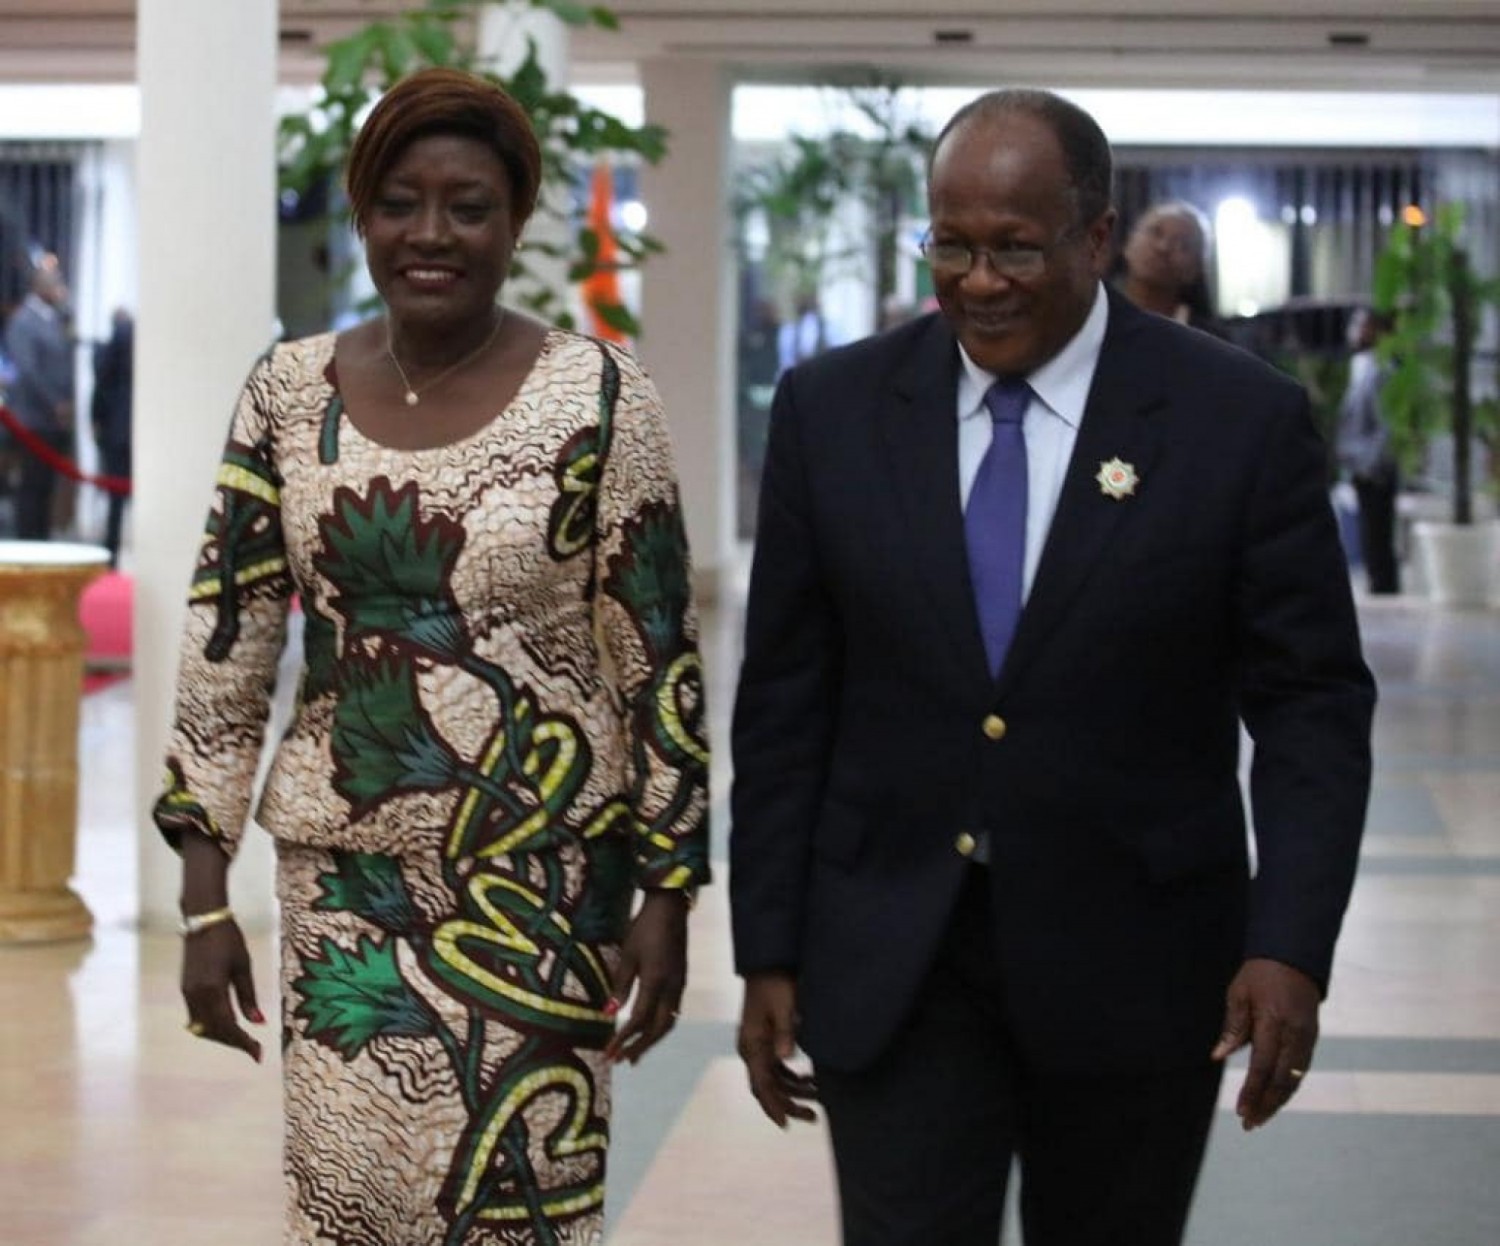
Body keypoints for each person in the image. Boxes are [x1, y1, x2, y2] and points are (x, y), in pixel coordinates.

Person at [730, 88, 1373, 1246]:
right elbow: (785, 701)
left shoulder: (1236, 420)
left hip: (1138, 962)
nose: (980, 281)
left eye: (1016, 248)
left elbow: (1311, 705)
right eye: (952, 246)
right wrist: (767, 947)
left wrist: (1289, 943)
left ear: (1095, 236)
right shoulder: (833, 411)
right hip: (895, 954)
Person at [154, 67, 709, 1245]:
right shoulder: (287, 393)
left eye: (469, 207)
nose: (432, 234)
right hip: (345, 889)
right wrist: (204, 901)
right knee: (351, 1204)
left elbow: (658, 657)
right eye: (401, 204)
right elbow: (227, 645)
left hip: (541, 886)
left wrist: (669, 888)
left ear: (516, 222)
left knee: (519, 1207)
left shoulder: (602, 397)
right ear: (362, 215)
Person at [4, 260, 75, 539]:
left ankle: (43, 538)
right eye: (56, 284)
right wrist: (54, 402)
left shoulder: (53, 318)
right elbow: (29, 369)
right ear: (42, 287)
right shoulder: (24, 321)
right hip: (32, 418)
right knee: (31, 487)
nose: (61, 289)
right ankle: (29, 541)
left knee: (45, 486)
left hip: (51, 421)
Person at [1336, 307, 1400, 594]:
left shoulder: (1381, 369)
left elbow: (1386, 425)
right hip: (1362, 466)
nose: (1355, 331)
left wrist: (1371, 464)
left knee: (1378, 536)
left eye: (1362, 325)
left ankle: (1384, 589)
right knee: (1371, 536)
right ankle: (1379, 586)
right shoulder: (1361, 366)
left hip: (1375, 469)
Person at [1118, 199, 1220, 334]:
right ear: (1128, 245)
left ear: (1195, 270)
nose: (1163, 247)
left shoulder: (1209, 339)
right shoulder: (1094, 313)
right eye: (1155, 233)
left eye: (1183, 245)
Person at [91, 307, 133, 567]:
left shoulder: (117, 341)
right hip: (123, 428)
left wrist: (97, 419)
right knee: (118, 497)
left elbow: (102, 383)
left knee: (116, 500)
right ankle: (113, 553)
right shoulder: (129, 336)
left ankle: (112, 554)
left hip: (118, 428)